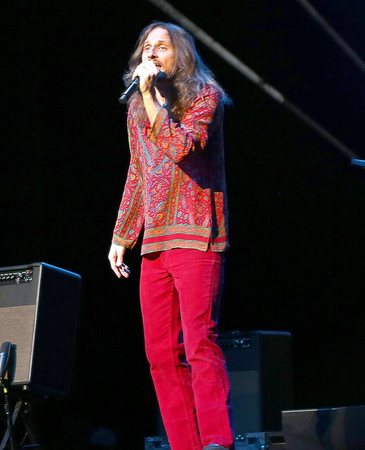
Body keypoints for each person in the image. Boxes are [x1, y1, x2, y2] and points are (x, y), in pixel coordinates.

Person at [107, 22, 233, 450]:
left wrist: (150, 96)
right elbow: (138, 173)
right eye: (146, 48)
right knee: (160, 354)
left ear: (181, 54)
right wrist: (122, 236)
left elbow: (182, 148)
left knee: (200, 340)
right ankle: (185, 444)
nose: (152, 54)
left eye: (161, 47)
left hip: (197, 234)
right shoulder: (136, 111)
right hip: (156, 242)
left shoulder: (205, 96)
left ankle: (217, 440)